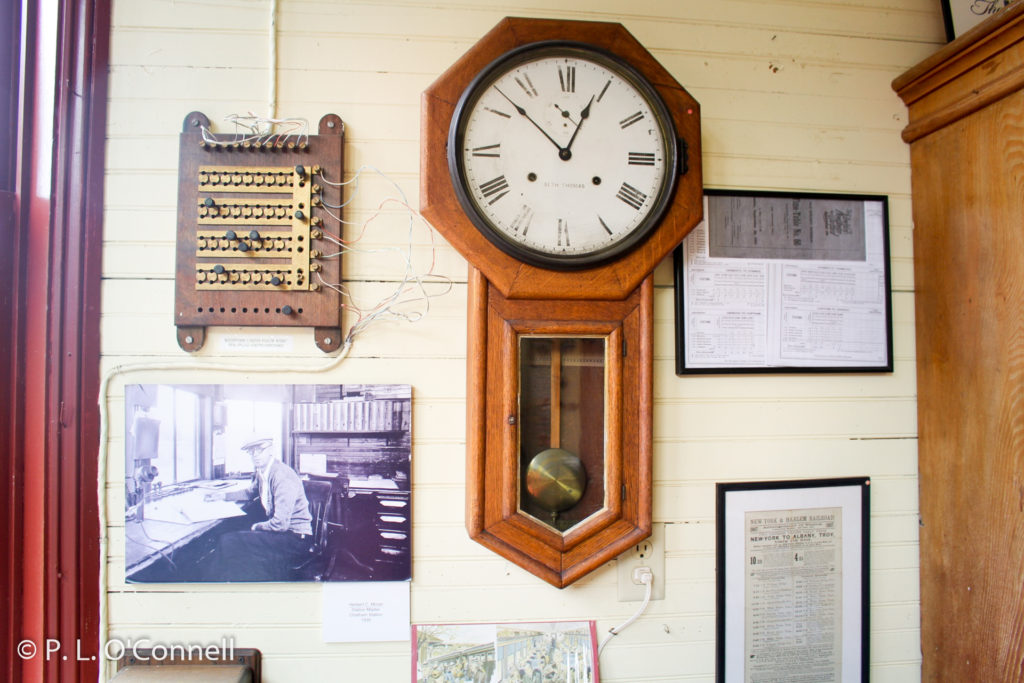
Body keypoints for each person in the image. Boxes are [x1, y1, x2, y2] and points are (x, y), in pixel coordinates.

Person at [205, 436, 313, 581]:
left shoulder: (281, 475)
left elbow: (280, 524)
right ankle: (220, 585)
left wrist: (257, 527)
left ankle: (218, 586)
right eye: (251, 452)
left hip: (296, 539)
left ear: (271, 450)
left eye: (260, 450)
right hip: (283, 534)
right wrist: (222, 496)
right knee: (230, 539)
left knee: (229, 542)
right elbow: (250, 492)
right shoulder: (263, 472)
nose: (255, 455)